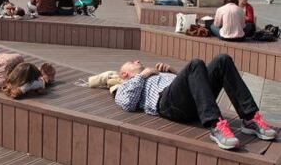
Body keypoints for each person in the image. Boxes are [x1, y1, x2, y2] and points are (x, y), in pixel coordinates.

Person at [114, 54, 277, 150]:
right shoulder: (124, 85)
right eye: (132, 63)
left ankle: (249, 118)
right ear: (124, 74)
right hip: (167, 104)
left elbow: (195, 83)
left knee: (222, 60)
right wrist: (142, 76)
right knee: (195, 63)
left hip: (189, 100)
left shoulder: (156, 74)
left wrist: (174, 73)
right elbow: (127, 103)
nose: (137, 61)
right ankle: (216, 126)